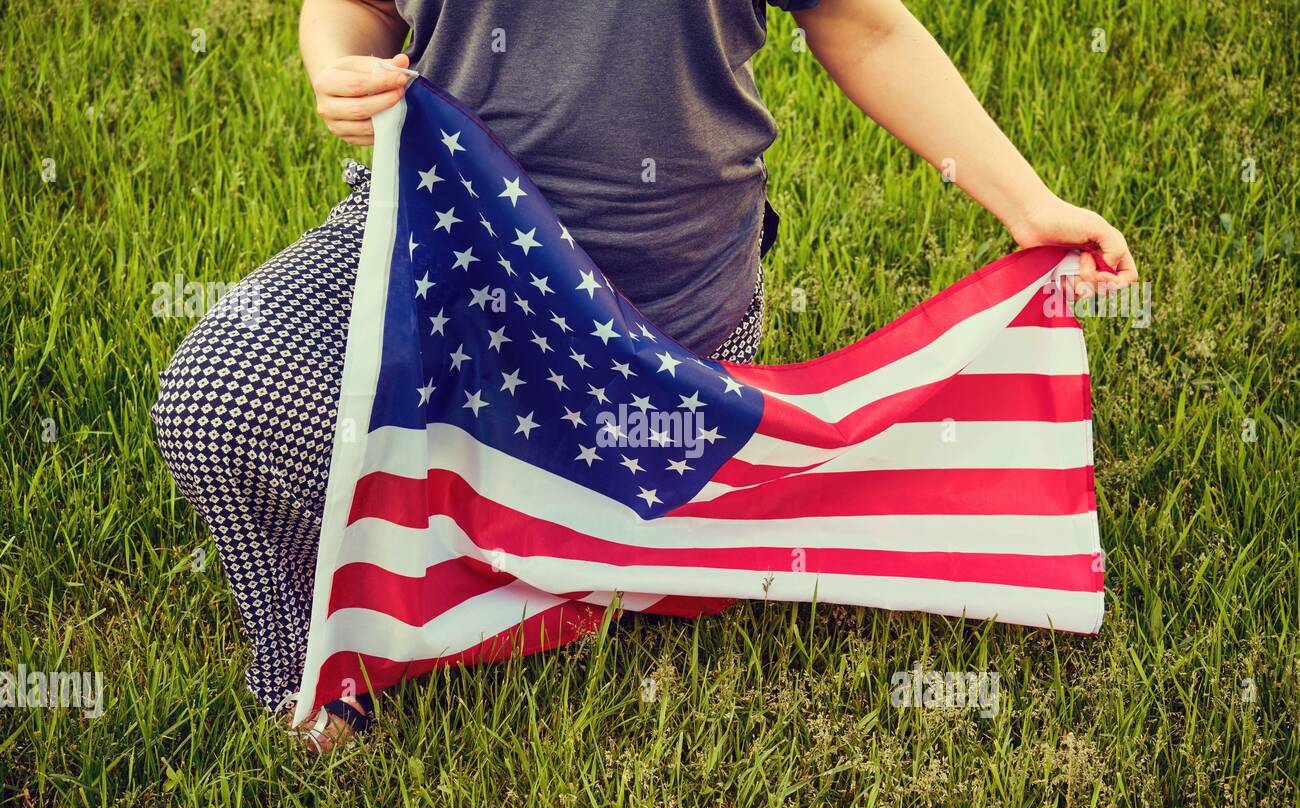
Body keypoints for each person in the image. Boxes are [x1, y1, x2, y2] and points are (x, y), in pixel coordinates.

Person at [152, 0, 1139, 753]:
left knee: (640, 530)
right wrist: (339, 67)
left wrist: (1025, 204)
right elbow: (353, 5)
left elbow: (862, 25)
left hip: (657, 320)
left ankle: (556, 549)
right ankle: (323, 656)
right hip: (435, 255)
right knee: (215, 404)